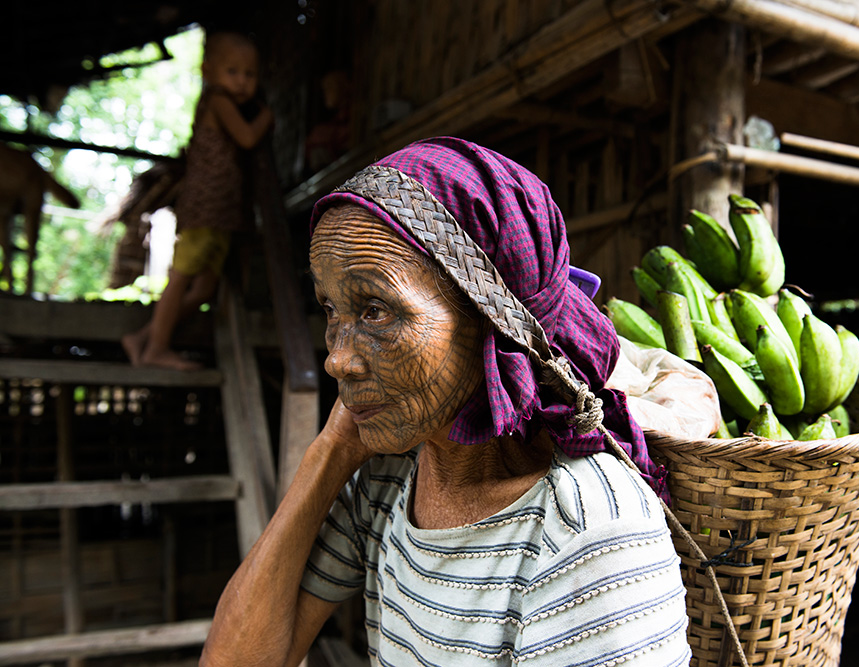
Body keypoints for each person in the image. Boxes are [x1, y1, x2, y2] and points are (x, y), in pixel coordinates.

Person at [200, 137, 692, 666]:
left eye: (375, 311)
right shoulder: (391, 474)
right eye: (329, 309)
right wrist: (328, 454)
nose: (336, 361)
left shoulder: (586, 529)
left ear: (490, 321)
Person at [122, 31, 273, 370]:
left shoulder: (226, 101)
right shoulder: (218, 100)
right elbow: (248, 138)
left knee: (205, 288)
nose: (241, 82)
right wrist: (267, 116)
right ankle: (156, 349)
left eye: (249, 74)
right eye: (232, 71)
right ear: (209, 71)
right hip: (205, 208)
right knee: (182, 276)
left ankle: (143, 337)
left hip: (223, 213)